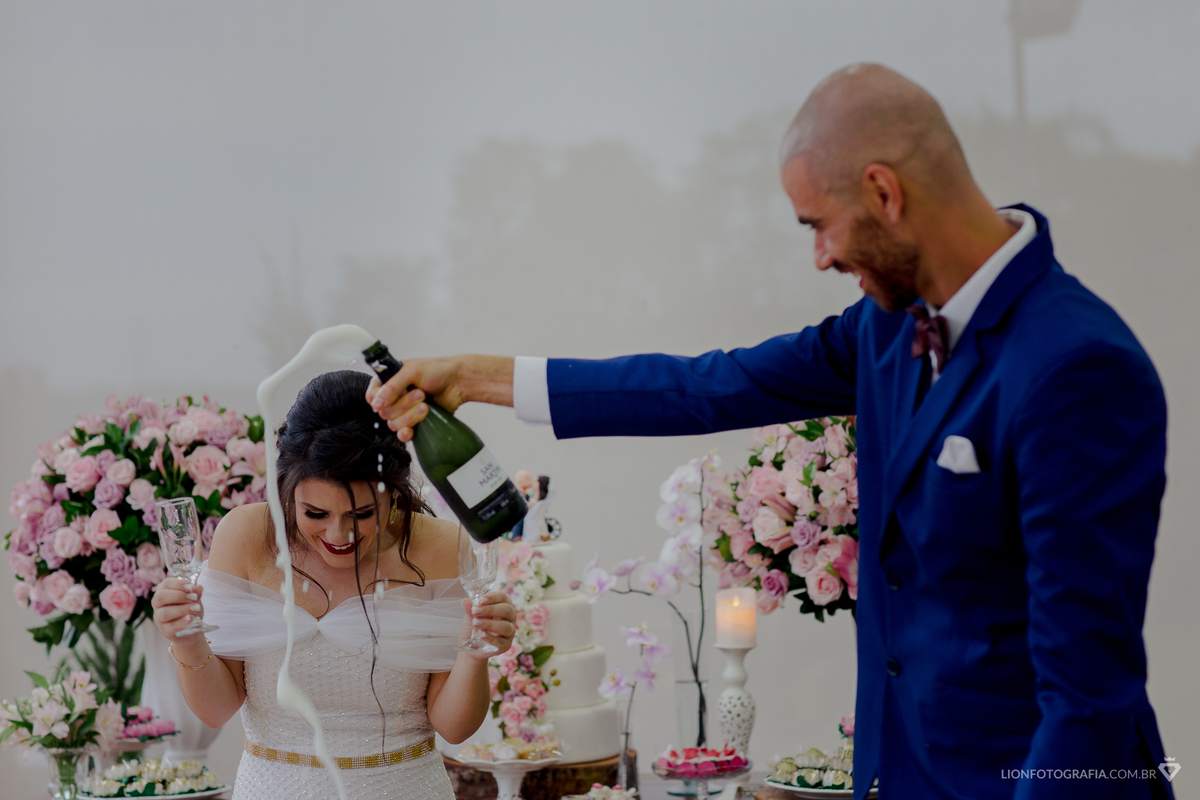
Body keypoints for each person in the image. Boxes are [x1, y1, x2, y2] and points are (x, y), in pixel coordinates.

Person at [366, 64, 1174, 800]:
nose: (819, 256)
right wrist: (478, 377)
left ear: (885, 192)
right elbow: (711, 384)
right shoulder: (885, 329)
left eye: (817, 225)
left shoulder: (1080, 367)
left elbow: (1086, 694)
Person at [151, 370, 516, 800]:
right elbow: (216, 711)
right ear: (287, 491)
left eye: (362, 514)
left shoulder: (438, 546)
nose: (339, 536)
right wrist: (187, 641)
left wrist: (475, 653)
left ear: (393, 492)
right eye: (315, 514)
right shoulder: (247, 536)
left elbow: (454, 726)